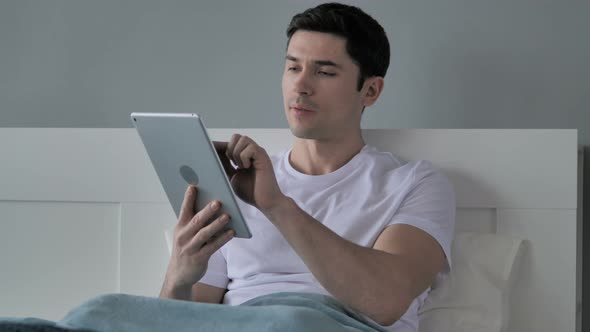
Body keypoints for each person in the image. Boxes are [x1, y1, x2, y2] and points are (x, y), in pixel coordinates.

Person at [159, 3, 455, 332]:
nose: (301, 85)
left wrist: (276, 206)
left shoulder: (414, 183)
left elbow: (386, 300)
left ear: (370, 91)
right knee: (102, 309)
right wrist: (178, 274)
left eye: (324, 72)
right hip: (241, 324)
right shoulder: (233, 183)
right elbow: (181, 321)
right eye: (293, 68)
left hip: (332, 324)